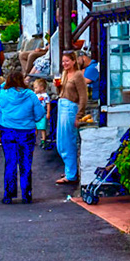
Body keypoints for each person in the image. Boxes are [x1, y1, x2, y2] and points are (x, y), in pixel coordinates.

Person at [0, 69, 42, 203]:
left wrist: (7, 83)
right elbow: (40, 114)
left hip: (8, 131)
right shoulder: (30, 95)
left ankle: (8, 195)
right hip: (26, 132)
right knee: (26, 163)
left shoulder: (3, 94)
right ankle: (27, 194)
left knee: (10, 162)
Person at [55, 53, 86, 185]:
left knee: (68, 141)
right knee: (60, 142)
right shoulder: (64, 74)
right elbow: (62, 92)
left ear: (74, 61)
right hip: (62, 105)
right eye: (63, 61)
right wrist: (58, 87)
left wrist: (79, 115)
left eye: (67, 61)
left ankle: (71, 174)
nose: (65, 64)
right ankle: (69, 169)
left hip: (70, 108)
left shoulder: (78, 75)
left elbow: (83, 96)